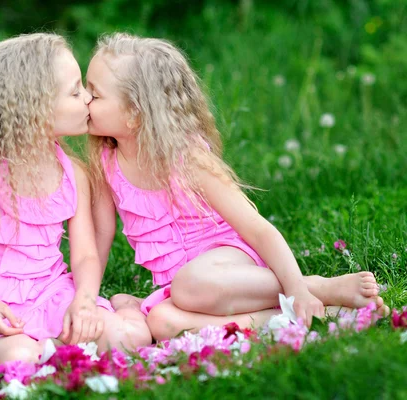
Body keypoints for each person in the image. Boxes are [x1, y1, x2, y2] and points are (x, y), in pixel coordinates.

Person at [85, 33, 385, 341]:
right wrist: (84, 300)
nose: (84, 99)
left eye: (94, 94)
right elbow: (100, 237)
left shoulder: (187, 158)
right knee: (163, 324)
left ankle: (319, 287)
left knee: (189, 286)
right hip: (182, 288)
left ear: (134, 114)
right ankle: (302, 317)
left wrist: (297, 288)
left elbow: (257, 229)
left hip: (227, 261)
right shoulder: (107, 162)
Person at [0, 33, 151, 364]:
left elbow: (85, 257)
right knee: (21, 357)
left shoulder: (72, 173)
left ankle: (125, 308)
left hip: (55, 299)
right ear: (35, 105)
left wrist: (85, 301)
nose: (86, 100)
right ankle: (52, 347)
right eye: (75, 91)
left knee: (129, 339)